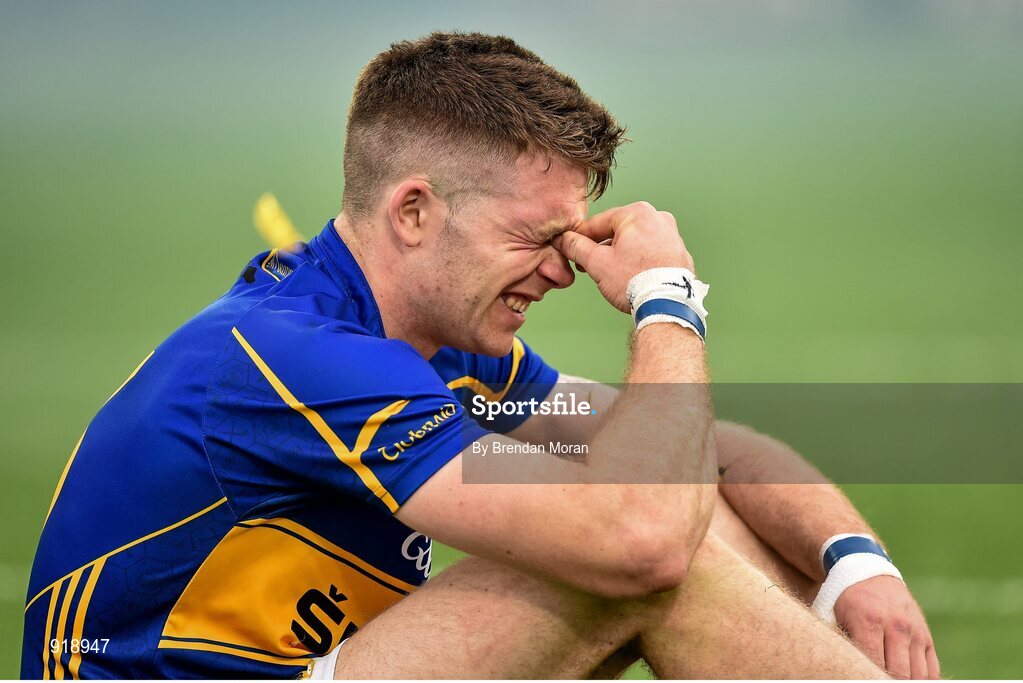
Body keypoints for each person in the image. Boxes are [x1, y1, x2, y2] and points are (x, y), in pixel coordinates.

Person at [23, 32, 938, 679]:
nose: (563, 270)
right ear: (413, 212)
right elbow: (643, 545)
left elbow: (713, 450)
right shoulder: (298, 356)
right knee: (639, 559)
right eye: (536, 238)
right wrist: (669, 302)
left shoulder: (450, 353)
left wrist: (859, 566)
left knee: (675, 491)